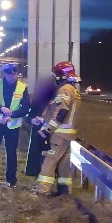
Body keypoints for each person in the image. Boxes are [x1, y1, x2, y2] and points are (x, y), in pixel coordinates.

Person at [33, 61, 82, 197]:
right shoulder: (74, 90)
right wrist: (44, 118)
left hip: (59, 134)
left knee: (49, 161)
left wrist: (47, 129)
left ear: (61, 76)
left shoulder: (64, 89)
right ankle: (64, 191)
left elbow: (61, 111)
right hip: (69, 134)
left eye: (56, 76)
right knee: (64, 164)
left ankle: (43, 191)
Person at [0, 62, 31, 187]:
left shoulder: (22, 87)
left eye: (15, 73)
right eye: (9, 74)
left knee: (11, 153)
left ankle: (11, 180)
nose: (12, 76)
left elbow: (26, 108)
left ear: (17, 73)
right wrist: (0, 108)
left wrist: (12, 115)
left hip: (12, 125)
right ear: (4, 74)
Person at [24, 74, 58, 177]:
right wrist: (33, 120)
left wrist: (43, 121)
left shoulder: (58, 99)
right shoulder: (38, 99)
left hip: (51, 133)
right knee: (37, 154)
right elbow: (29, 115)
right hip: (38, 132)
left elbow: (59, 118)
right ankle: (35, 172)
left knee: (49, 158)